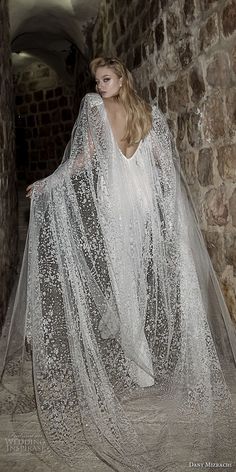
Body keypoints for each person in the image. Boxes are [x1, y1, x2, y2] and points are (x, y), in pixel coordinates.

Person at [1, 56, 236, 471]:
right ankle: (135, 350)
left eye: (106, 79)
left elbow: (88, 159)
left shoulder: (107, 110)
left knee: (127, 275)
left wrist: (51, 181)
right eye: (97, 81)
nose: (100, 86)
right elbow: (159, 165)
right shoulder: (148, 112)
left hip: (120, 202)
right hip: (140, 201)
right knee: (132, 277)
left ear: (122, 78)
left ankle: (137, 359)